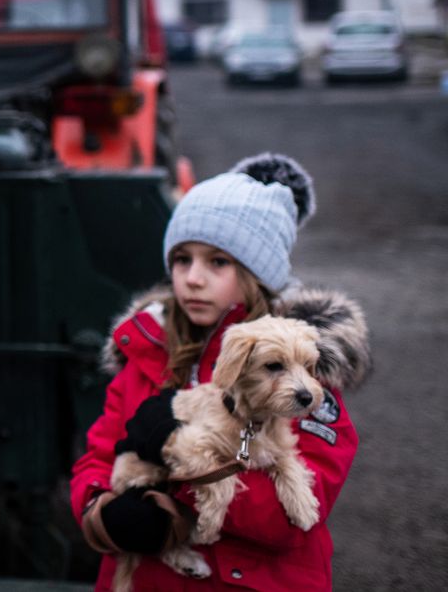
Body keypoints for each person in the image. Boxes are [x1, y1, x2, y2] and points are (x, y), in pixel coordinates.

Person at [72, 153, 371, 591]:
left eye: (217, 263)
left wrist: (180, 477)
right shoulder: (145, 354)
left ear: (256, 274)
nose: (193, 278)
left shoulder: (300, 369)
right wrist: (103, 509)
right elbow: (97, 457)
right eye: (182, 260)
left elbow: (294, 517)